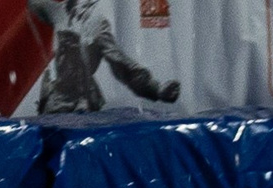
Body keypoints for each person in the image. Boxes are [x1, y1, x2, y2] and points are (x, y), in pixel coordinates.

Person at [30, 0, 182, 113]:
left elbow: (123, 65)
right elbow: (33, 3)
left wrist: (156, 89)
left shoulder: (97, 24)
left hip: (81, 103)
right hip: (55, 99)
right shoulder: (57, 11)